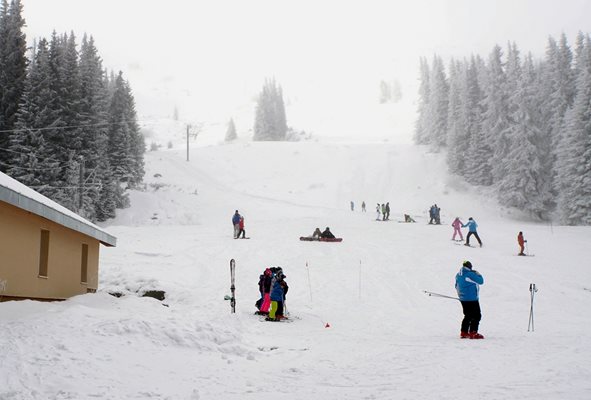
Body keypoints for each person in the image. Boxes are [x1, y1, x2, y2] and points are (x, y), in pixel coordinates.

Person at [455, 260, 485, 339]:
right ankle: (473, 332)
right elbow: (481, 281)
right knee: (477, 315)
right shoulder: (470, 274)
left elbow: (456, 286)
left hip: (463, 298)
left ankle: (464, 332)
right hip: (472, 299)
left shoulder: (458, 275)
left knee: (468, 315)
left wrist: (461, 296)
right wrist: (478, 274)